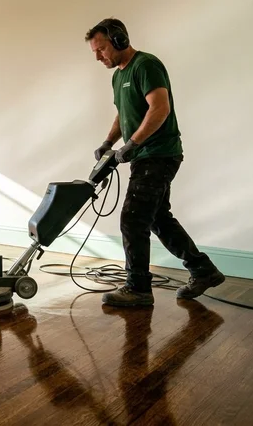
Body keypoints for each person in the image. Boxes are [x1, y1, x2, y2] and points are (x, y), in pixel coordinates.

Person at [85, 18, 225, 307]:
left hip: (159, 154)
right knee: (159, 218)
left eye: (101, 49)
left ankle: (138, 289)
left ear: (119, 40)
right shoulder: (117, 76)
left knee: (133, 218)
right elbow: (124, 114)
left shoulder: (146, 65)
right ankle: (203, 270)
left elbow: (160, 108)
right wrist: (109, 142)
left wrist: (134, 143)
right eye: (95, 52)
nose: (98, 57)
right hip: (145, 156)